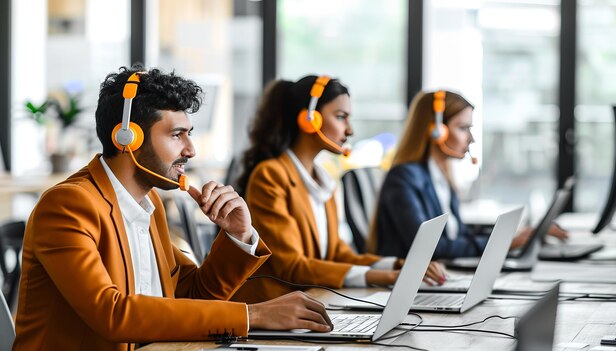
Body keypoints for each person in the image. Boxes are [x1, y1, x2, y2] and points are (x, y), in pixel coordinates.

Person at [12, 66, 333, 351]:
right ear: (128, 137)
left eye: (189, 134)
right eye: (177, 135)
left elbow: (191, 295)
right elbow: (111, 313)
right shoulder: (69, 204)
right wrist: (254, 314)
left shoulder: (149, 203)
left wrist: (237, 234)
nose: (190, 150)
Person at [232, 75, 446, 304]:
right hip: (275, 307)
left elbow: (337, 254)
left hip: (316, 299)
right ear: (309, 119)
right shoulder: (271, 175)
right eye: (341, 117)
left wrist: (398, 265)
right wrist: (386, 277)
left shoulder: (325, 182)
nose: (350, 130)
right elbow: (292, 266)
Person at [371, 90, 568, 259]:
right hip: (407, 285)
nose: (471, 139)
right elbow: (431, 248)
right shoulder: (404, 178)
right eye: (464, 128)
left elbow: (458, 234)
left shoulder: (439, 177)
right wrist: (507, 242)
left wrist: (514, 235)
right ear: (437, 131)